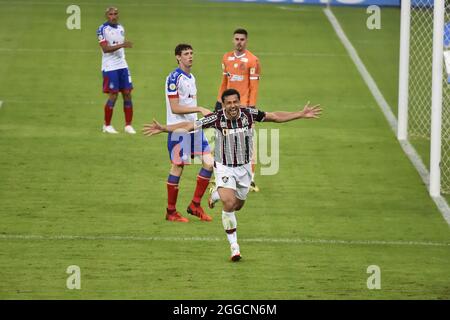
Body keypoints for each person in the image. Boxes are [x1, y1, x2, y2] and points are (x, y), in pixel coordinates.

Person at [143, 89, 321, 261]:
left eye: (235, 102)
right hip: (224, 167)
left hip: (244, 169)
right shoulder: (216, 118)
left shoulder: (249, 113)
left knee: (237, 205)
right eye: (228, 103)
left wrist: (300, 114)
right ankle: (234, 247)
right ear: (223, 105)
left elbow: (274, 116)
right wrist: (165, 128)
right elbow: (189, 125)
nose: (233, 106)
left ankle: (215, 194)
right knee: (229, 203)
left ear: (239, 102)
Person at [163, 43, 215, 223]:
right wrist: (199, 108)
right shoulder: (173, 78)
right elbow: (175, 107)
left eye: (192, 53)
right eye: (186, 54)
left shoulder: (191, 77)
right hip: (179, 129)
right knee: (178, 167)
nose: (190, 56)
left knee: (209, 163)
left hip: (194, 128)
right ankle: (171, 212)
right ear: (178, 57)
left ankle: (195, 205)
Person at [216, 28, 261, 191]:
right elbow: (224, 81)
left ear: (246, 41)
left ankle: (250, 179)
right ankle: (222, 178)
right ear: (233, 40)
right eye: (236, 39)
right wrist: (218, 102)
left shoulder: (253, 60)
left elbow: (254, 87)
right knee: (222, 141)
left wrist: (251, 108)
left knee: (248, 143)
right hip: (226, 108)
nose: (239, 42)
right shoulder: (226, 58)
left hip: (244, 109)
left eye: (242, 39)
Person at [97, 7, 136, 134]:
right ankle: (107, 125)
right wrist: (123, 45)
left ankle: (128, 125)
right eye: (110, 14)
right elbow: (105, 49)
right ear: (106, 16)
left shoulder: (121, 28)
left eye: (115, 14)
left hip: (122, 66)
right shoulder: (102, 29)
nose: (113, 16)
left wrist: (122, 46)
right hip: (110, 67)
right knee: (113, 95)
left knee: (127, 93)